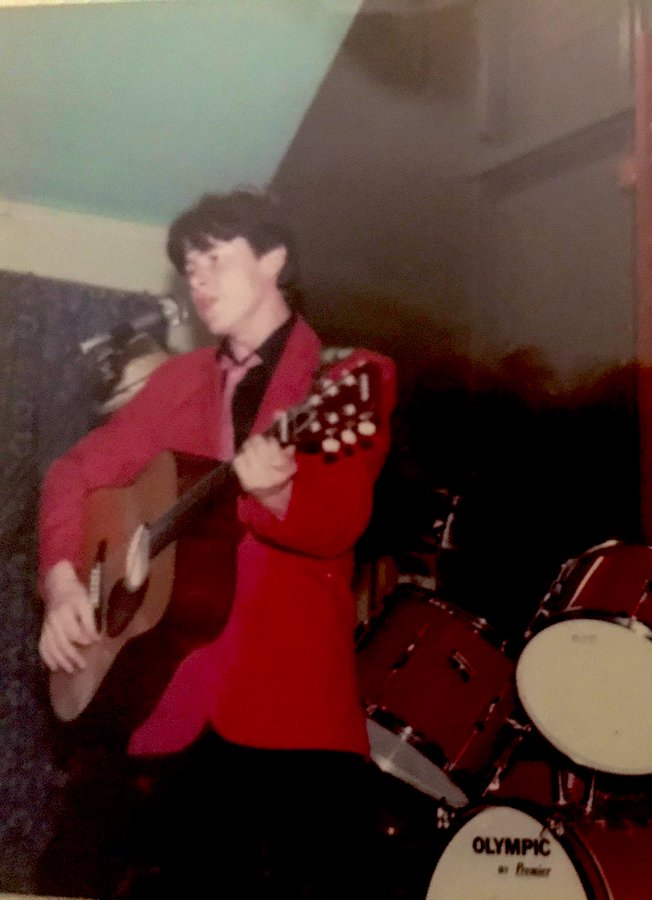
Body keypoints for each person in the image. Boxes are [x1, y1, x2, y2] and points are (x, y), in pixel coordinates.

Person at [36, 188, 397, 898]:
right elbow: (72, 474)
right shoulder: (178, 380)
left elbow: (338, 523)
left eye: (214, 260)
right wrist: (62, 583)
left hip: (290, 716)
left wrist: (275, 492)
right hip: (166, 701)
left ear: (274, 259)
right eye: (188, 267)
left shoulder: (349, 377)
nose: (197, 280)